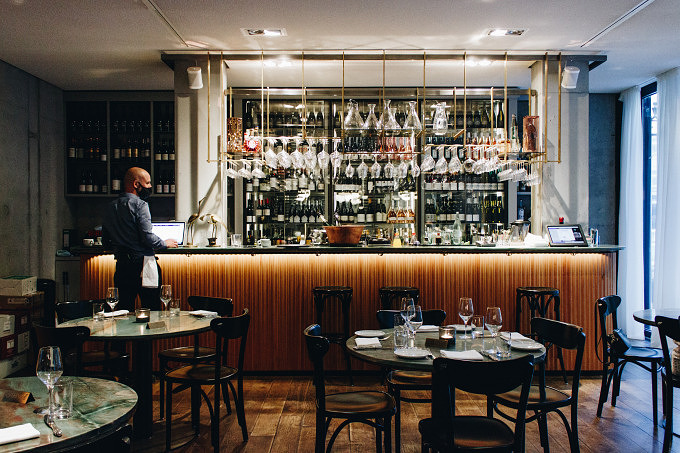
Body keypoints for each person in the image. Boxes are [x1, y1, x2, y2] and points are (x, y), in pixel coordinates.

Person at [103, 167, 178, 312]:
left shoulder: (110, 207)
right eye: (147, 183)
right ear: (136, 184)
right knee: (152, 311)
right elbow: (147, 237)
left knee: (123, 311)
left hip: (122, 266)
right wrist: (164, 243)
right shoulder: (140, 205)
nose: (150, 187)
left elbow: (106, 242)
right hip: (143, 266)